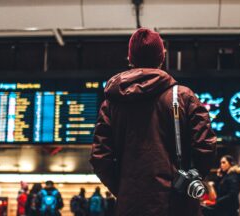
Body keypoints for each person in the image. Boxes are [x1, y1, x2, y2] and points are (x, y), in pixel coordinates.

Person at [90, 28, 217, 216]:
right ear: (161, 57)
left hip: (131, 207)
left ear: (130, 58)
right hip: (178, 205)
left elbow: (100, 157)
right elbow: (205, 146)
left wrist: (126, 190)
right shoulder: (183, 96)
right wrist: (188, 181)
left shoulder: (112, 103)